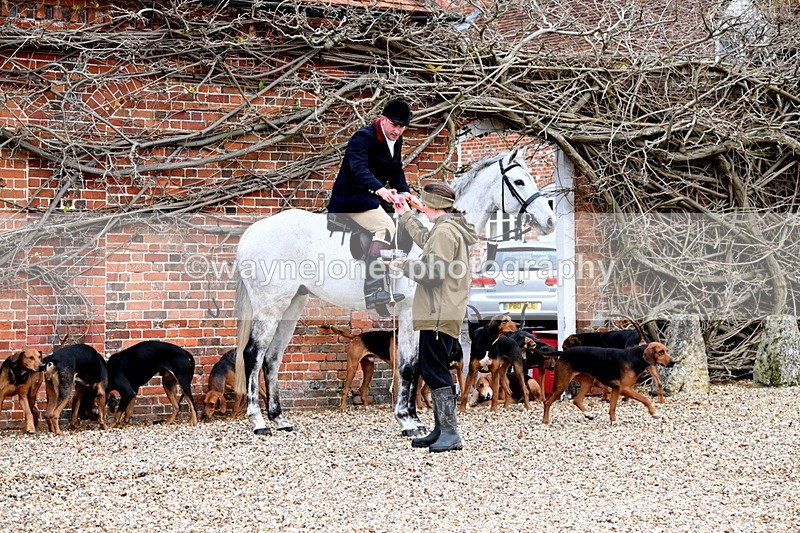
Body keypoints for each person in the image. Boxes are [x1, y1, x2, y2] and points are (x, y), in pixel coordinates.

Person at [391, 182, 478, 453]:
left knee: (434, 371)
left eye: (425, 205)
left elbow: (433, 273)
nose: (423, 209)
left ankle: (450, 433)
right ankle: (441, 430)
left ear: (435, 206)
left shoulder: (444, 230)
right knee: (433, 368)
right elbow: (427, 242)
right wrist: (405, 215)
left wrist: (402, 264)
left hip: (438, 311)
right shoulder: (447, 227)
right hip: (443, 309)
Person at [327, 98, 414, 310]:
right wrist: (380, 190)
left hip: (371, 197)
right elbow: (359, 170)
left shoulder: (395, 139)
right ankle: (373, 289)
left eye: (402, 127)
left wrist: (405, 193)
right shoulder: (362, 137)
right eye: (394, 125)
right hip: (350, 198)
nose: (398, 131)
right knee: (386, 227)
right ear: (382, 119)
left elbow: (395, 170)